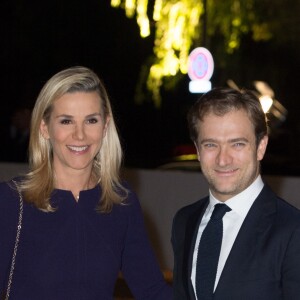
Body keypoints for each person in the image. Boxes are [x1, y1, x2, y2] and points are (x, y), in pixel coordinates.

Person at [0, 66, 173, 299]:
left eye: (91, 120)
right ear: (44, 127)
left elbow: (152, 290)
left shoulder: (121, 202)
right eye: (66, 121)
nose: (79, 135)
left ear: (105, 125)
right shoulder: (12, 200)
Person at [171, 87, 300, 299]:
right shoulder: (184, 221)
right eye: (211, 144)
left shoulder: (293, 230)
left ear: (261, 146)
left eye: (237, 144)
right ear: (197, 149)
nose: (223, 160)